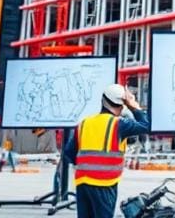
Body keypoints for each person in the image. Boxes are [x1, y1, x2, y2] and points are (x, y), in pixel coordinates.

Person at [64, 83, 150, 218]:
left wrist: (87, 166)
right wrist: (134, 106)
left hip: (83, 183)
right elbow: (147, 125)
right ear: (122, 106)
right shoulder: (119, 124)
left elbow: (68, 152)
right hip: (104, 184)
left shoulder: (84, 123)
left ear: (102, 101)